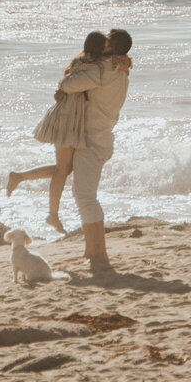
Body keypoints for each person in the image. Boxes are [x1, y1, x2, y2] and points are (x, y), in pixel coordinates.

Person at [6, 30, 107, 231]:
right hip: (68, 120)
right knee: (63, 169)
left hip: (68, 118)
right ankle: (52, 215)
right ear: (100, 48)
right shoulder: (92, 69)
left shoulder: (82, 62)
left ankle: (20, 177)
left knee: (65, 168)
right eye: (106, 47)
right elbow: (70, 85)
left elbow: (67, 85)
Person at [54, 26, 132, 267]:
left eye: (106, 42)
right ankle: (91, 251)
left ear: (112, 48)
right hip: (102, 137)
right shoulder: (121, 71)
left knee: (86, 197)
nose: (103, 45)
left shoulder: (102, 70)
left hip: (92, 141)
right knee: (84, 195)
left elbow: (68, 84)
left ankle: (99, 254)